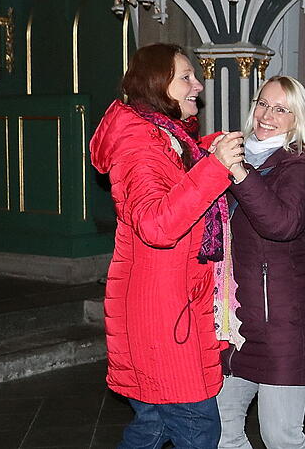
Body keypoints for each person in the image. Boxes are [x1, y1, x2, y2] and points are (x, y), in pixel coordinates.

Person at [89, 43, 246, 448]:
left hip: (171, 303)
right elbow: (156, 224)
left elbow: (176, 178)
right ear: (159, 85)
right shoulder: (138, 145)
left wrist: (206, 152)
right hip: (160, 311)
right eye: (186, 78)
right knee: (198, 427)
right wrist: (213, 167)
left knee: (153, 424)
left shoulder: (165, 136)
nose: (198, 84)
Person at [216, 76, 305, 449]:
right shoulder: (238, 157)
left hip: (281, 321)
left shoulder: (299, 167)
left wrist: (238, 174)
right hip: (238, 322)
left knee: (281, 436)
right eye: (263, 104)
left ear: (297, 118)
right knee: (221, 425)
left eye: (282, 109)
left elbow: (281, 225)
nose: (267, 115)